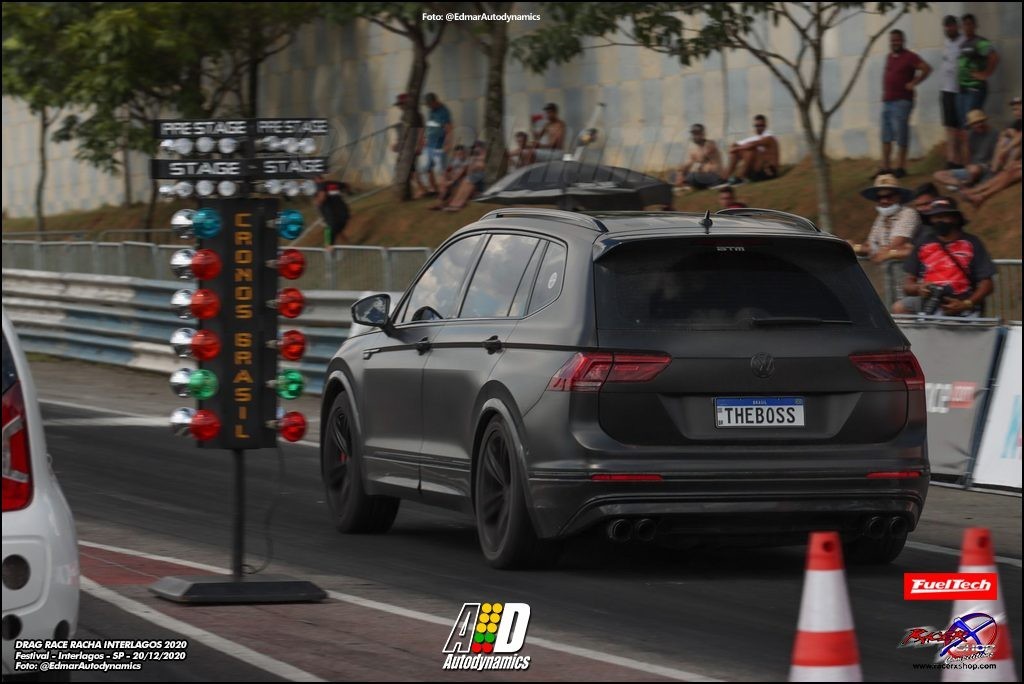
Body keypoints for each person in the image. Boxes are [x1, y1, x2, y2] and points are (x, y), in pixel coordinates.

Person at [893, 197, 995, 317]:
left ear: (955, 218)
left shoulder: (972, 242)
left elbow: (987, 284)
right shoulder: (923, 242)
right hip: (929, 300)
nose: (939, 221)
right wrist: (919, 288)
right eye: (936, 217)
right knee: (899, 308)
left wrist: (966, 304)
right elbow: (908, 284)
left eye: (944, 216)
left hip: (963, 301)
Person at [879, 29, 931, 179]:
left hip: (902, 101)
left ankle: (901, 167)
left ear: (903, 41)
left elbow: (926, 68)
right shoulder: (889, 57)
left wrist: (914, 82)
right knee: (886, 136)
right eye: (892, 40)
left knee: (901, 134)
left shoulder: (910, 56)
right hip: (887, 101)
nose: (894, 42)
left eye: (897, 40)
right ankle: (886, 168)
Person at [956, 14, 999, 164]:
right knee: (965, 125)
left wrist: (985, 74)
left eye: (969, 24)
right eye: (964, 24)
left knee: (973, 123)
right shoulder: (963, 43)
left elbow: (994, 57)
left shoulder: (980, 42)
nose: (967, 27)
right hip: (962, 90)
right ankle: (968, 162)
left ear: (975, 25)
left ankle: (977, 162)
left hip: (974, 89)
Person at [851, 174, 920, 263]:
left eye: (889, 196)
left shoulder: (908, 213)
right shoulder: (881, 217)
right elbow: (870, 245)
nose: (884, 201)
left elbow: (896, 245)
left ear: (898, 196)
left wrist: (864, 249)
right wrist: (852, 247)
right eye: (880, 197)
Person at [932, 109, 998, 189]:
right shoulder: (970, 135)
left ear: (984, 121)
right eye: (975, 123)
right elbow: (966, 161)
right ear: (971, 125)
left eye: (980, 122)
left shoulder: (994, 134)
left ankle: (967, 184)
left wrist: (985, 166)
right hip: (971, 169)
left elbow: (996, 157)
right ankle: (962, 184)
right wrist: (965, 144)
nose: (978, 125)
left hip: (985, 167)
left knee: (974, 170)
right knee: (938, 175)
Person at [939, 16, 965, 168]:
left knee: (960, 128)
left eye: (951, 25)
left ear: (957, 26)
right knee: (949, 127)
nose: (949, 28)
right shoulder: (946, 42)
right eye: (947, 26)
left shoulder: (964, 41)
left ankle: (961, 160)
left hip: (960, 90)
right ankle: (951, 160)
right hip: (946, 90)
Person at [415, 93, 452, 198]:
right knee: (427, 168)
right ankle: (434, 189)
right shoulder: (431, 110)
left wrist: (447, 143)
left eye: (429, 104)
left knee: (441, 169)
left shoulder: (444, 111)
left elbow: (448, 127)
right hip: (430, 143)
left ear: (434, 102)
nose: (428, 106)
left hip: (439, 144)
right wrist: (425, 139)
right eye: (427, 105)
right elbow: (430, 125)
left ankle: (445, 191)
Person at [724, 115, 779, 185]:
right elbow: (735, 144)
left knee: (750, 150)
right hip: (757, 171)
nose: (758, 128)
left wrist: (737, 148)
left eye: (761, 125)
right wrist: (734, 148)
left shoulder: (769, 136)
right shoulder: (756, 137)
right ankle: (726, 177)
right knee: (738, 151)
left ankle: (741, 177)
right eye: (756, 126)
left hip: (769, 171)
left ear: (765, 126)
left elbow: (752, 145)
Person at [675, 124, 725, 190]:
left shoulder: (710, 144)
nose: (695, 136)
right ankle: (684, 182)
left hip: (716, 176)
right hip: (704, 176)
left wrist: (695, 167)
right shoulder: (694, 151)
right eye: (693, 134)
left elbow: (703, 157)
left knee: (692, 176)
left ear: (703, 134)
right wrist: (680, 173)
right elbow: (688, 164)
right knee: (685, 175)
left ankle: (686, 182)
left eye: (697, 134)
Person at [442, 141, 487, 211]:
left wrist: (474, 166)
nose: (475, 149)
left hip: (479, 176)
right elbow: (470, 169)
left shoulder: (482, 156)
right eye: (475, 148)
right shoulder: (474, 157)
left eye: (477, 147)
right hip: (473, 175)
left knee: (466, 183)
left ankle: (459, 204)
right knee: (464, 183)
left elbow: (481, 167)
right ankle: (454, 203)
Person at [314, 174, 351, 249]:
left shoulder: (320, 185)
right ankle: (348, 247)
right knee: (338, 229)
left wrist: (317, 202)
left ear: (316, 180)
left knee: (328, 233)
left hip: (331, 214)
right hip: (343, 212)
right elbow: (347, 185)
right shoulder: (334, 183)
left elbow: (322, 196)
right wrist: (347, 193)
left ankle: (329, 250)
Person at [429, 145, 468, 210]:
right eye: (457, 154)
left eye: (460, 154)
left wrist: (452, 181)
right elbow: (447, 170)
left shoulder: (466, 162)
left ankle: (443, 204)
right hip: (452, 178)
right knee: (443, 182)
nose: (459, 155)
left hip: (459, 180)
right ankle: (439, 203)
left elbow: (461, 173)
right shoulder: (454, 160)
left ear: (464, 153)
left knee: (451, 186)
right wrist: (445, 178)